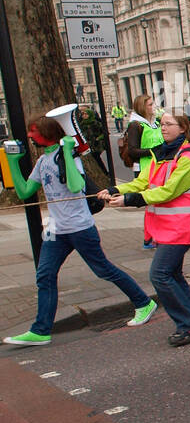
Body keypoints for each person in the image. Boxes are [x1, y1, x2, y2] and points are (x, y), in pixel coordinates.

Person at [3, 118, 157, 347]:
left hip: (80, 227)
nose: (29, 136)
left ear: (47, 133)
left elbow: (76, 187)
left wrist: (67, 152)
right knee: (44, 275)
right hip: (56, 229)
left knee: (103, 270)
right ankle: (41, 330)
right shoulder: (43, 161)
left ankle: (143, 303)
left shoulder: (69, 158)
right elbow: (25, 192)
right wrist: (13, 162)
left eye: (33, 131)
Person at [98, 112, 190, 347]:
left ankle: (189, 324)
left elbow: (168, 191)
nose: (163, 128)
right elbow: (143, 182)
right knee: (172, 274)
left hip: (183, 227)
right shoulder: (162, 154)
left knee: (159, 274)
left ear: (183, 129)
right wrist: (115, 190)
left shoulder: (188, 157)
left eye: (169, 124)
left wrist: (131, 200)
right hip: (167, 227)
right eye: (162, 124)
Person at [123, 95, 163, 248]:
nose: (154, 106)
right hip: (144, 169)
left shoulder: (155, 122)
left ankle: (153, 236)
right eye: (150, 104)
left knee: (156, 203)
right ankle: (149, 238)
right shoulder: (135, 125)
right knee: (151, 203)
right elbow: (132, 151)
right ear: (142, 107)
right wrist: (154, 151)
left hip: (157, 167)